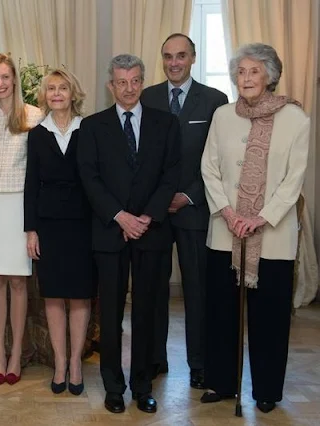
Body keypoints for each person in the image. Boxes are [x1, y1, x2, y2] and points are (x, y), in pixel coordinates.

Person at [200, 43, 309, 414]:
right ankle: (222, 382)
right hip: (225, 230)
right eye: (241, 72)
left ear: (270, 76)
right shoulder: (222, 115)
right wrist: (229, 213)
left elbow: (294, 179)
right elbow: (209, 167)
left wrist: (260, 217)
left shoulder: (296, 119)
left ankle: (266, 390)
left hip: (273, 236)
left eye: (253, 72)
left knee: (269, 317)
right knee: (222, 312)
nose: (245, 78)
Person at [77, 54, 181, 414]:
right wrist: (121, 217)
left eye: (135, 80)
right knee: (110, 313)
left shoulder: (166, 124)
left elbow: (171, 175)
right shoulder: (92, 127)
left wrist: (146, 218)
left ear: (142, 81)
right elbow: (89, 179)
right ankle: (113, 387)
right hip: (110, 233)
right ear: (111, 86)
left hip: (151, 233)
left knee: (147, 311)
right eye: (121, 82)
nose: (129, 88)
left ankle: (141, 386)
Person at [140, 33, 228, 388]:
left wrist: (188, 196)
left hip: (195, 210)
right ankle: (155, 358)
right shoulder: (148, 97)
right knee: (154, 290)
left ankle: (199, 364)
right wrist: (159, 200)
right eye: (167, 56)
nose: (174, 62)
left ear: (193, 57)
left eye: (180, 56)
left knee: (197, 291)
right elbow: (142, 157)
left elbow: (217, 161)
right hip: (156, 215)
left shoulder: (214, 101)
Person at [24, 68, 94, 395]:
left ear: (72, 92)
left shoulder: (89, 129)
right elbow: (30, 187)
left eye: (62, 87)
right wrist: (31, 230)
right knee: (53, 295)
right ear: (44, 95)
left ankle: (77, 363)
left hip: (84, 223)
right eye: (51, 88)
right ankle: (60, 362)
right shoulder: (37, 134)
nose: (56, 93)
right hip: (49, 224)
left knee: (79, 295)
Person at [0, 53, 44, 385]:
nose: (0, 84)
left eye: (5, 77)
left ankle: (16, 353)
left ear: (14, 79)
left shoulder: (33, 116)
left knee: (18, 281)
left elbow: (39, 169)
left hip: (19, 204)